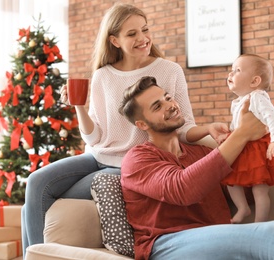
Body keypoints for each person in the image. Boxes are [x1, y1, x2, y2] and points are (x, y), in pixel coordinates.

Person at [21, 3, 227, 257]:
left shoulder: (168, 70)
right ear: (114, 41)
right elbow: (95, 136)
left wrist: (208, 130)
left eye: (145, 29)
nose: (143, 38)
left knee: (35, 202)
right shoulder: (103, 76)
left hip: (130, 166)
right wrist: (78, 107)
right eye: (132, 34)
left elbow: (183, 128)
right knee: (36, 182)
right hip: (97, 157)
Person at [118, 76, 274, 260]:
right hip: (167, 245)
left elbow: (245, 191)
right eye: (157, 106)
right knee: (268, 234)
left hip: (218, 235)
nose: (169, 105)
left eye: (168, 98)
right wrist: (240, 136)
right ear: (142, 124)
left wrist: (259, 146)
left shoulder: (199, 152)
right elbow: (184, 188)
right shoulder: (138, 159)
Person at [221, 53, 274, 223]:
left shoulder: (257, 97)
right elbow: (239, 126)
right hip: (242, 147)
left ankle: (260, 223)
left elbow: (273, 117)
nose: (230, 74)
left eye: (237, 70)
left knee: (259, 190)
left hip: (257, 150)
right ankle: (243, 208)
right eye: (231, 70)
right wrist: (227, 135)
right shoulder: (239, 100)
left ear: (254, 82)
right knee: (230, 181)